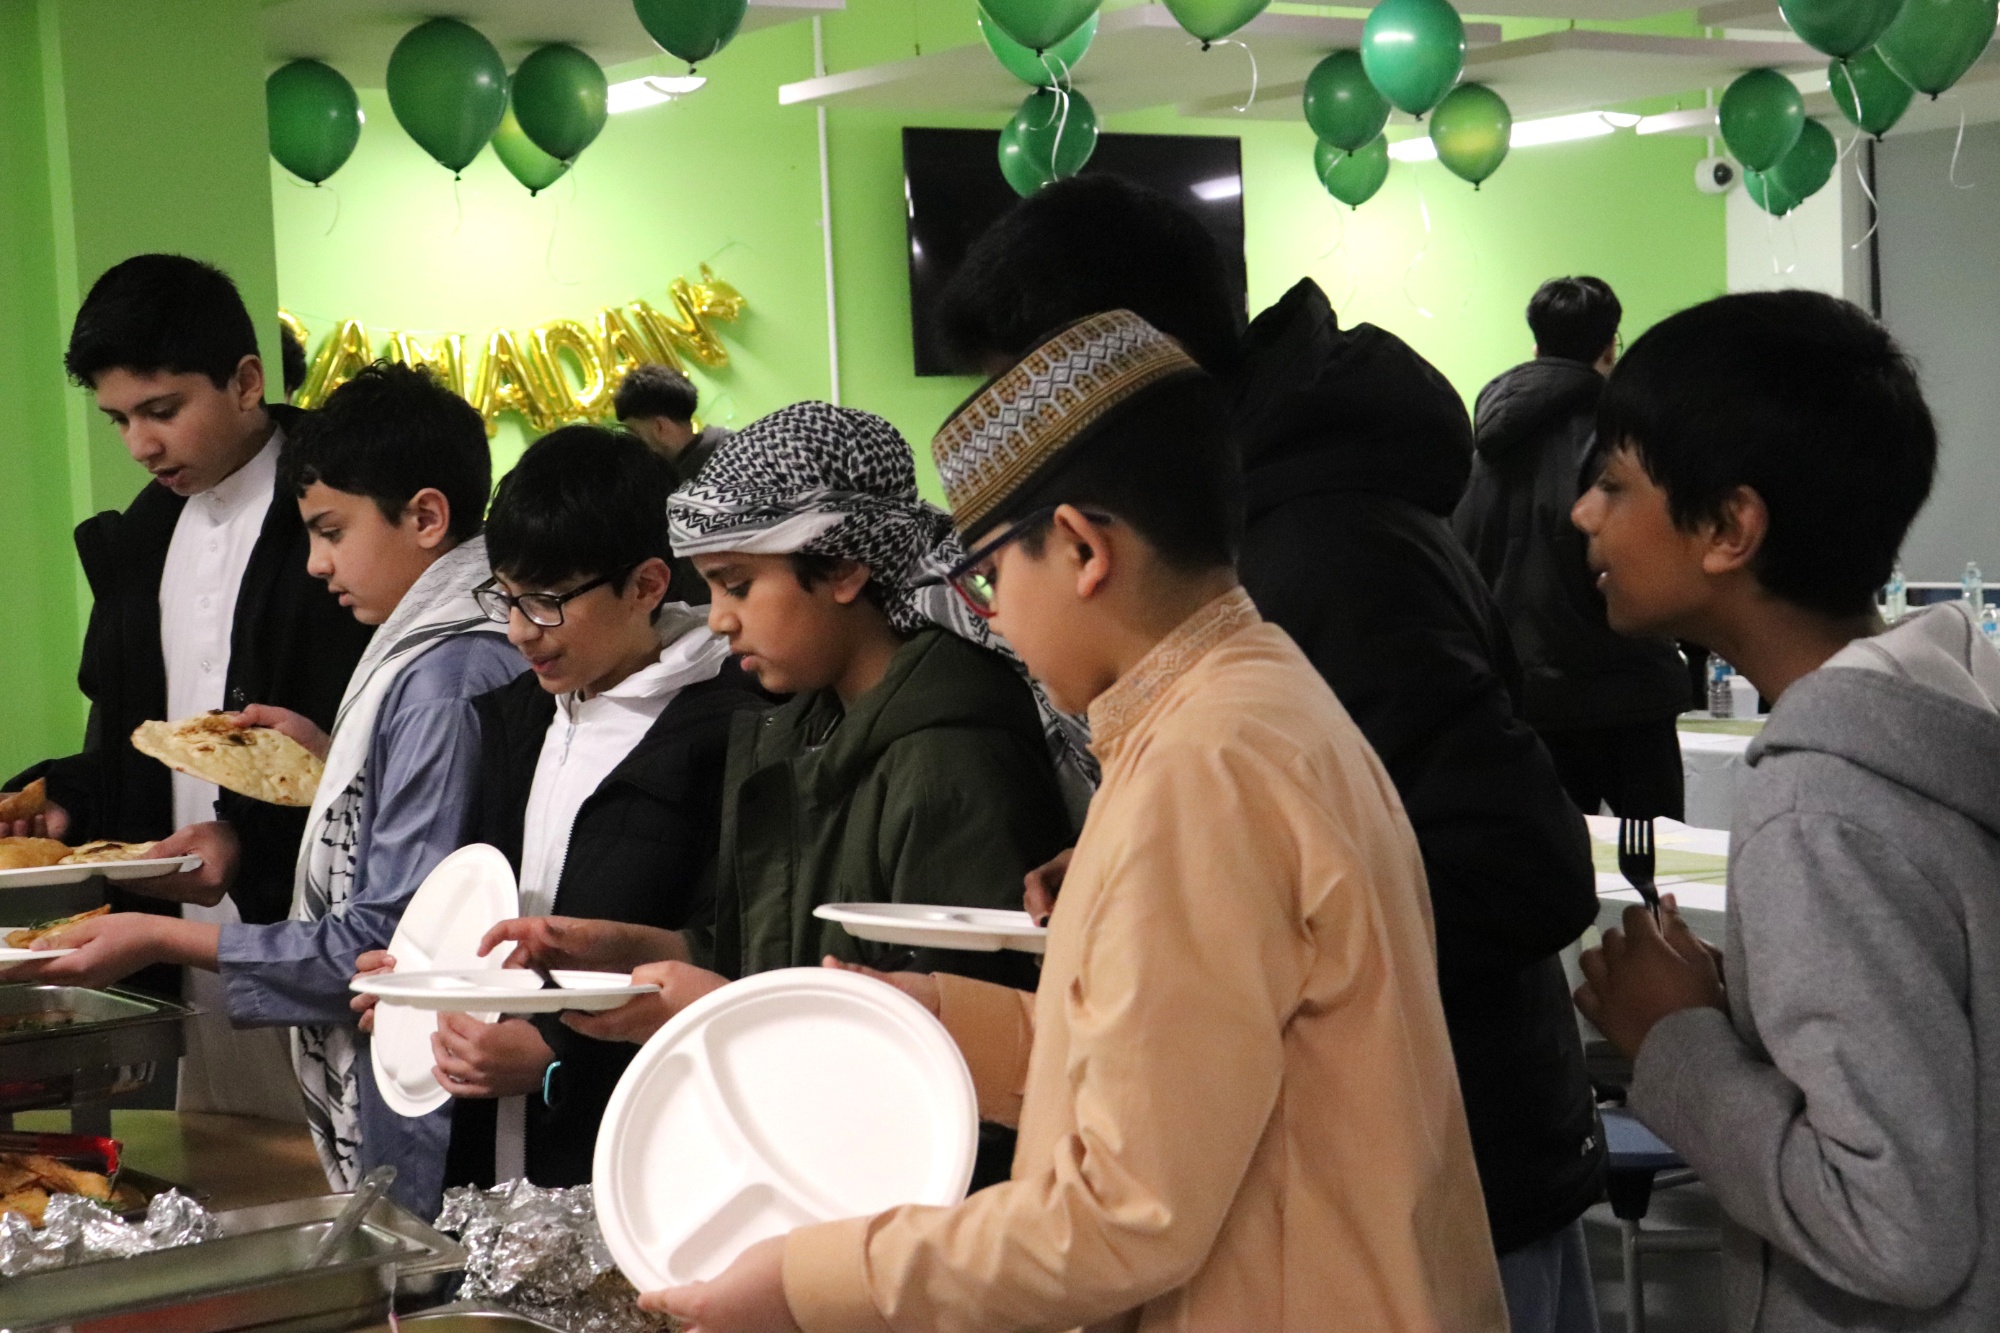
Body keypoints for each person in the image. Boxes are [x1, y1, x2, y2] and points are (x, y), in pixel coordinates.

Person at [648, 310, 1507, 1333]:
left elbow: (1120, 1214)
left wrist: (808, 1281)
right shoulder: (1243, 703)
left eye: (987, 575)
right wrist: (936, 1015)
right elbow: (1179, 1074)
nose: (989, 613)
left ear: (1081, 547)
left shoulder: (1203, 767)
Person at [936, 173, 1603, 1330]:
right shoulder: (1229, 597)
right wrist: (1136, 899)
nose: (1024, 405)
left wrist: (1213, 904)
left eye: (1028, 379)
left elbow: (1520, 864)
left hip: (1408, 1185)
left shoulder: (1316, 560)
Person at [479, 401, 1083, 1187]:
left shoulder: (951, 754)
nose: (720, 621)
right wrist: (630, 948)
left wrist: (712, 1007)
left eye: (737, 585)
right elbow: (769, 955)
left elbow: (953, 1061)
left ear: (843, 568)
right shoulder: (795, 728)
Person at [1575, 291, 2000, 1333]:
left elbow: (1890, 1224)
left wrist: (1671, 1039)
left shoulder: (1818, 808)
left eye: (1614, 484)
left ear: (1727, 527)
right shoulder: (1939, 717)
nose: (1582, 514)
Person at [15, 362, 519, 1216]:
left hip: (431, 1074)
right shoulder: (441, 644)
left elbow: (382, 945)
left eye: (331, 531)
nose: (318, 565)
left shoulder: (442, 677)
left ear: (427, 516)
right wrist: (332, 769)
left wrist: (162, 939)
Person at [0, 254, 373, 1119]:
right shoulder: (141, 532)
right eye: (119, 419)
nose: (141, 444)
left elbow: (379, 728)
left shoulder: (347, 508)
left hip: (332, 928)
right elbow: (132, 725)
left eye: (163, 411)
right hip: (181, 936)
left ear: (246, 381)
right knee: (230, 1165)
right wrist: (73, 807)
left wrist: (252, 838)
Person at [396, 426, 764, 1194]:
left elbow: (735, 954)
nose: (518, 629)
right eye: (506, 595)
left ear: (648, 584)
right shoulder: (517, 716)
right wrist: (418, 985)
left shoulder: (731, 730)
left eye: (549, 600)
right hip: (495, 1152)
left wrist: (559, 1053)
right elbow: (487, 911)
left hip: (646, 1150)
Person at [1455, 276, 1691, 817]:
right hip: (1627, 694)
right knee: (1655, 872)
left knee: (1552, 877)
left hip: (1522, 701)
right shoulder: (1622, 441)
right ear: (1610, 347)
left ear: (1535, 344)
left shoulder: (1481, 451)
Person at [613, 363, 730, 605]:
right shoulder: (736, 452)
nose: (633, 443)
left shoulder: (731, 468)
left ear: (659, 427)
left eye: (634, 432)